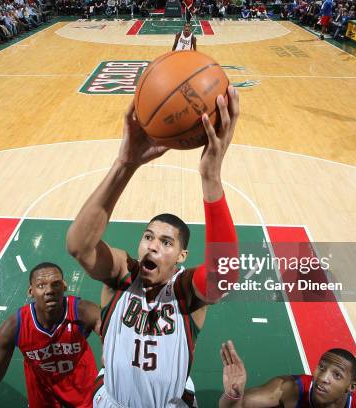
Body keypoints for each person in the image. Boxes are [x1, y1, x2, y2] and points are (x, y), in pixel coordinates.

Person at [66, 86, 240, 407]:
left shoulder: (186, 291)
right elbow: (78, 245)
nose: (152, 246)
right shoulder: (122, 274)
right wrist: (126, 163)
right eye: (148, 237)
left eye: (165, 241)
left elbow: (224, 277)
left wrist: (211, 177)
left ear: (182, 256)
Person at [0, 262, 100, 408]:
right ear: (30, 291)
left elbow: (109, 329)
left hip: (82, 386)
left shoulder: (82, 311)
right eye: (41, 285)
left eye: (55, 284)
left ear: (64, 286)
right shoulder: (14, 327)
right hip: (42, 393)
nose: (49, 290)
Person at [219, 341, 356, 407]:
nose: (323, 378)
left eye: (337, 375)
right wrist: (233, 394)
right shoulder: (289, 389)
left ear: (351, 387)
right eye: (322, 367)